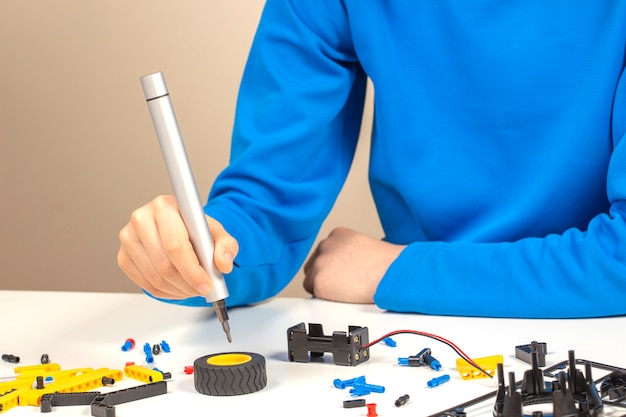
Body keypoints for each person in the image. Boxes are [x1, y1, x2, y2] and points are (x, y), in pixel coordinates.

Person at [118, 1, 626, 319]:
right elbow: (265, 209)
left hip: (598, 337)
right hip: (413, 329)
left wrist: (395, 270)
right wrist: (192, 251)